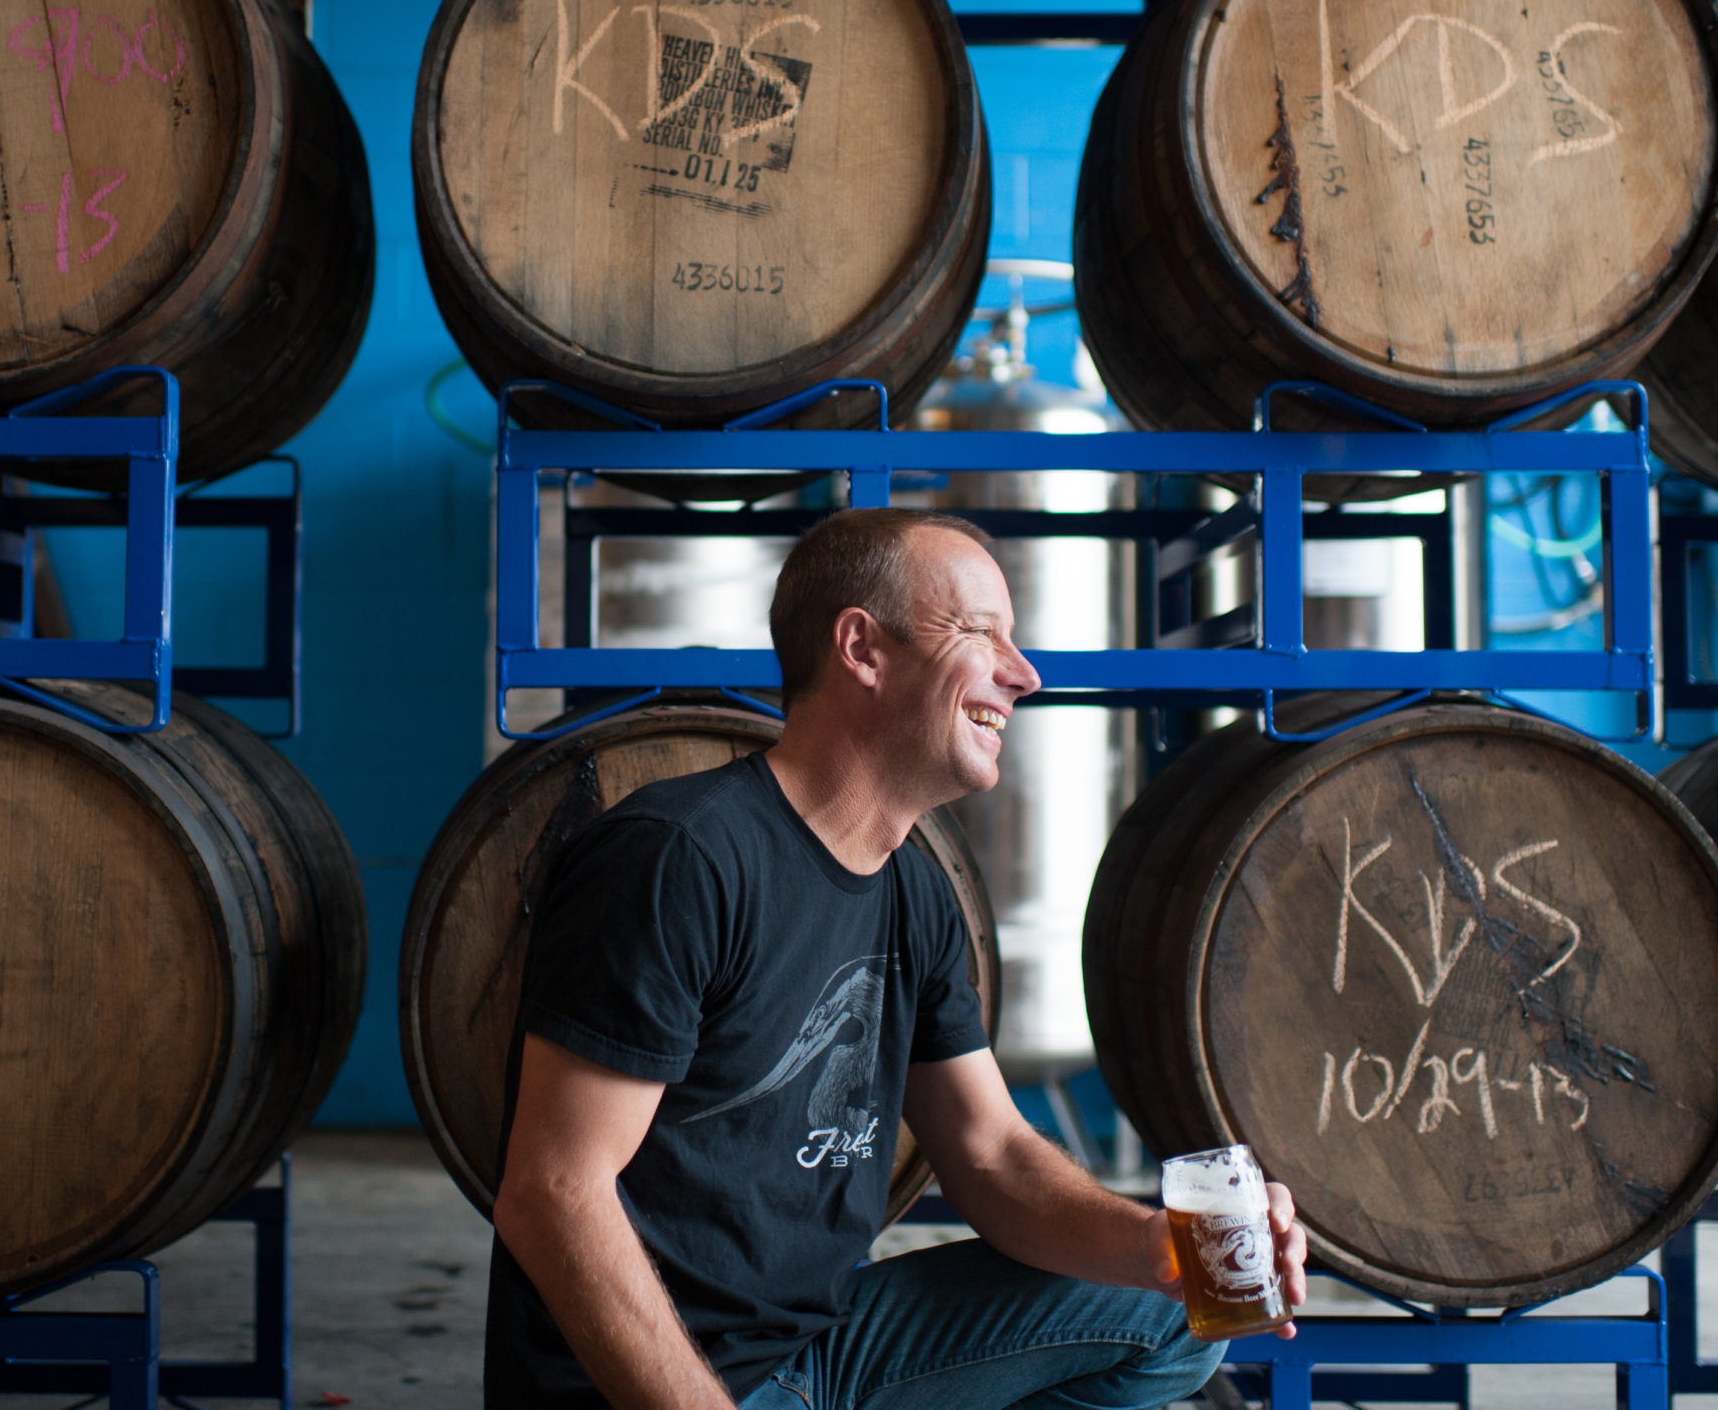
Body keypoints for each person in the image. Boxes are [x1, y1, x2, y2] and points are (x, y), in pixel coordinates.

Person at [486, 506, 1309, 1409]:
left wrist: (1163, 1245)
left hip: (826, 1350)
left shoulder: (916, 893)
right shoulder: (682, 857)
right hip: (667, 1379)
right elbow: (554, 1189)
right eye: (982, 632)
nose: (1024, 673)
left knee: (1173, 1313)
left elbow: (992, 1154)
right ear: (863, 649)